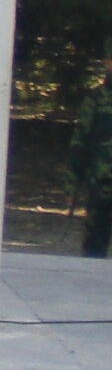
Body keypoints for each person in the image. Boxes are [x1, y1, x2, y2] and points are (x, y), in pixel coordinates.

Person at [68, 46, 112, 259]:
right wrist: (72, 185)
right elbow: (80, 144)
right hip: (100, 182)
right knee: (95, 244)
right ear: (106, 63)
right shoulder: (95, 100)